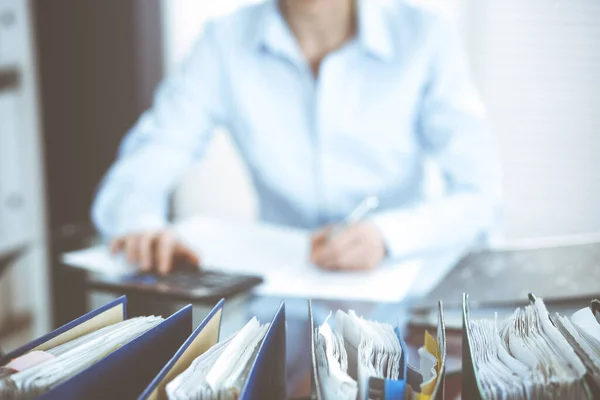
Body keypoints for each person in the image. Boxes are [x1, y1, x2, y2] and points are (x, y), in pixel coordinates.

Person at [92, 0, 500, 392]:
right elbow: (142, 167)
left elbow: (482, 195)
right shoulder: (224, 42)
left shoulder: (425, 35)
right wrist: (141, 226)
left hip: (400, 306)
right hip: (278, 306)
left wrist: (387, 235)